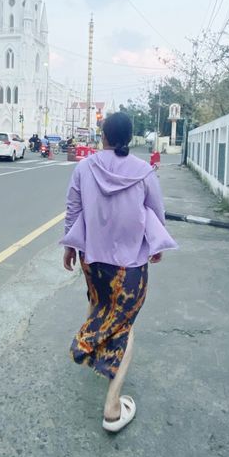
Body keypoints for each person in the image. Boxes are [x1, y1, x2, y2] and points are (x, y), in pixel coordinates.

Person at [60, 112, 177, 434]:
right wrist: (157, 244)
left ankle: (93, 345)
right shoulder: (144, 172)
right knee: (124, 324)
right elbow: (156, 211)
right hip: (131, 264)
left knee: (99, 302)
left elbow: (73, 209)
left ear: (104, 135)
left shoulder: (85, 167)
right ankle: (112, 407)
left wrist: (70, 245)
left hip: (93, 258)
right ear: (129, 136)